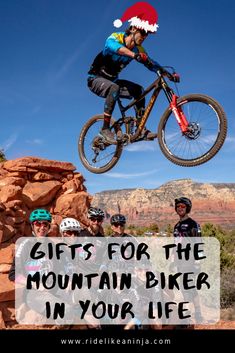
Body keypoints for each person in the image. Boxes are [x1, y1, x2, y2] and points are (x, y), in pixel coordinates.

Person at [87, 2, 179, 144]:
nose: (145, 36)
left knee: (139, 91)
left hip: (113, 81)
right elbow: (113, 47)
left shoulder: (139, 49)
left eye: (147, 34)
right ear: (134, 28)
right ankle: (105, 129)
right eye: (143, 32)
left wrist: (168, 74)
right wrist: (133, 55)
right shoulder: (116, 37)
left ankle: (139, 129)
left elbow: (151, 63)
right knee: (114, 88)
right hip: (95, 79)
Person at [173, 197, 203, 328]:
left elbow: (199, 243)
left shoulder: (193, 224)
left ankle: (190, 316)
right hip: (180, 262)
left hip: (189, 261)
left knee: (188, 288)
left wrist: (197, 262)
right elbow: (175, 244)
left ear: (187, 208)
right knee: (187, 287)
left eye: (183, 206)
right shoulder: (176, 226)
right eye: (178, 206)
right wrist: (173, 260)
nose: (180, 208)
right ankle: (196, 313)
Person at [8, 208, 52, 282]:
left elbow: (58, 267)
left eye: (45, 224)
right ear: (32, 226)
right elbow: (13, 274)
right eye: (38, 224)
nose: (42, 228)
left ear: (48, 227)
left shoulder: (51, 245)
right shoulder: (26, 244)